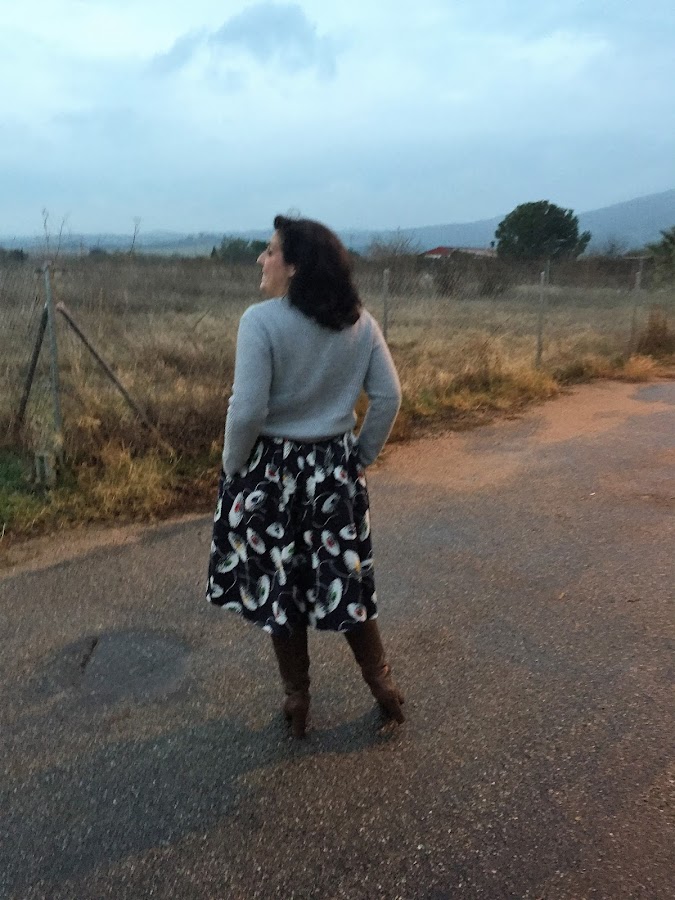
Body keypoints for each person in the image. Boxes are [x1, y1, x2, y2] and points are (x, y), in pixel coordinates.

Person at [206, 214, 404, 737]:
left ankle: (297, 699)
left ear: (293, 266)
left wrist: (232, 463)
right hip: (333, 474)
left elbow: (247, 410)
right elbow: (389, 397)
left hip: (271, 476)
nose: (262, 259)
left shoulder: (260, 321)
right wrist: (359, 457)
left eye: (270, 251)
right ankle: (383, 685)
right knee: (346, 579)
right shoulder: (360, 323)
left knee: (281, 588)